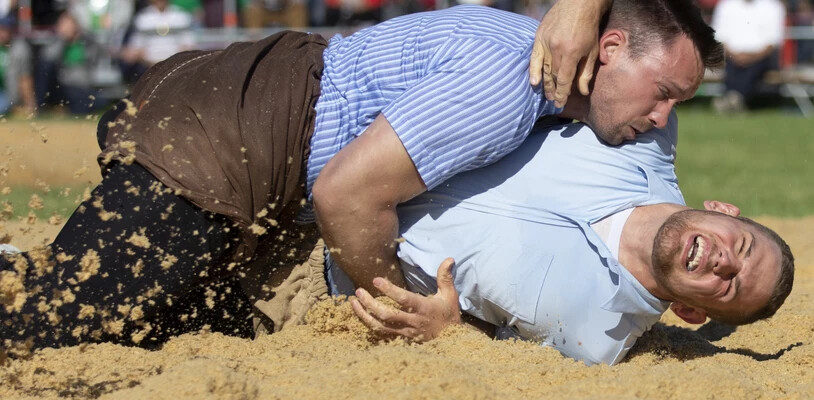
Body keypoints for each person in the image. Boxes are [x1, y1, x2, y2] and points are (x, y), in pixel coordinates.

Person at [1, 1, 722, 351]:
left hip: (257, 138)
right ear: (613, 47)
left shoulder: (545, 77)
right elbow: (345, 194)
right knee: (60, 323)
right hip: (233, 136)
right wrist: (390, 307)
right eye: (664, 92)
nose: (663, 117)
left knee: (158, 327)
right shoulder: (513, 83)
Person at [339, 115, 795, 365]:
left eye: (730, 285)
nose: (724, 261)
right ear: (723, 210)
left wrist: (448, 331)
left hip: (325, 272)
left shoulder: (594, 346)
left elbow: (495, 353)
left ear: (691, 313)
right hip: (337, 139)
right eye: (742, 246)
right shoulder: (645, 132)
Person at [710, 0, 786, 112]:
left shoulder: (773, 6)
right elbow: (720, 36)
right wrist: (735, 55)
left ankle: (732, 98)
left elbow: (773, 42)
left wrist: (751, 57)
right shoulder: (726, 5)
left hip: (762, 57)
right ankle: (737, 99)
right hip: (732, 56)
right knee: (733, 66)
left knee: (749, 67)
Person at [0, 15, 36, 116]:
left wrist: (30, 104)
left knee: (3, 106)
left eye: (5, 30)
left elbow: (25, 78)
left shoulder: (20, 49)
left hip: (7, 96)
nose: (2, 33)